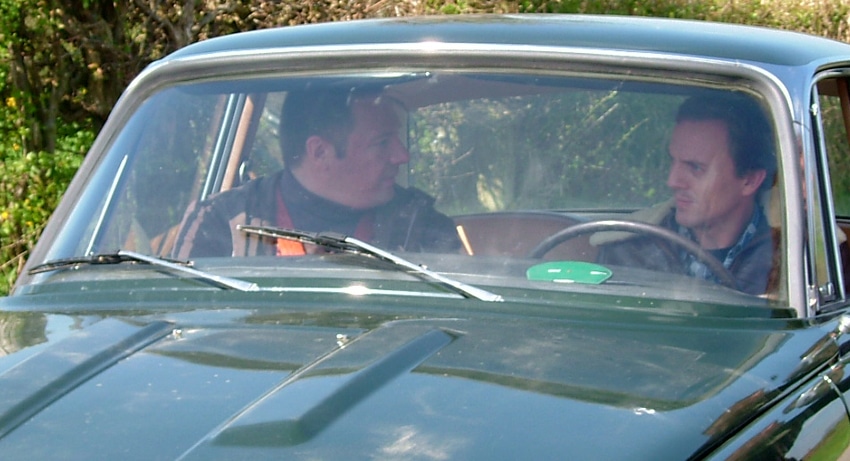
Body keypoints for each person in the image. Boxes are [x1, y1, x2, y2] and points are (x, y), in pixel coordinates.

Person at [173, 87, 460, 258]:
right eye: (382, 142)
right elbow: (182, 320)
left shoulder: (422, 227)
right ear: (320, 152)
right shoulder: (220, 222)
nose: (402, 156)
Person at [593, 94, 777, 295]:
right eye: (673, 161)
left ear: (749, 180)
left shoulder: (785, 264)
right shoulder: (631, 251)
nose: (672, 181)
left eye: (695, 167)